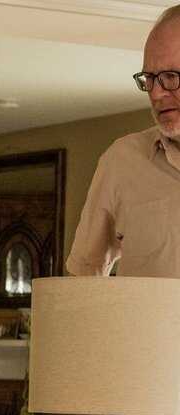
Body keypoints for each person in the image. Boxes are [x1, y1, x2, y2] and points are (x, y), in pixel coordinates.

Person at [67, 5, 180, 281]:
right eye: (149, 78)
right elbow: (84, 278)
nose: (156, 93)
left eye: (170, 77)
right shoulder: (122, 160)